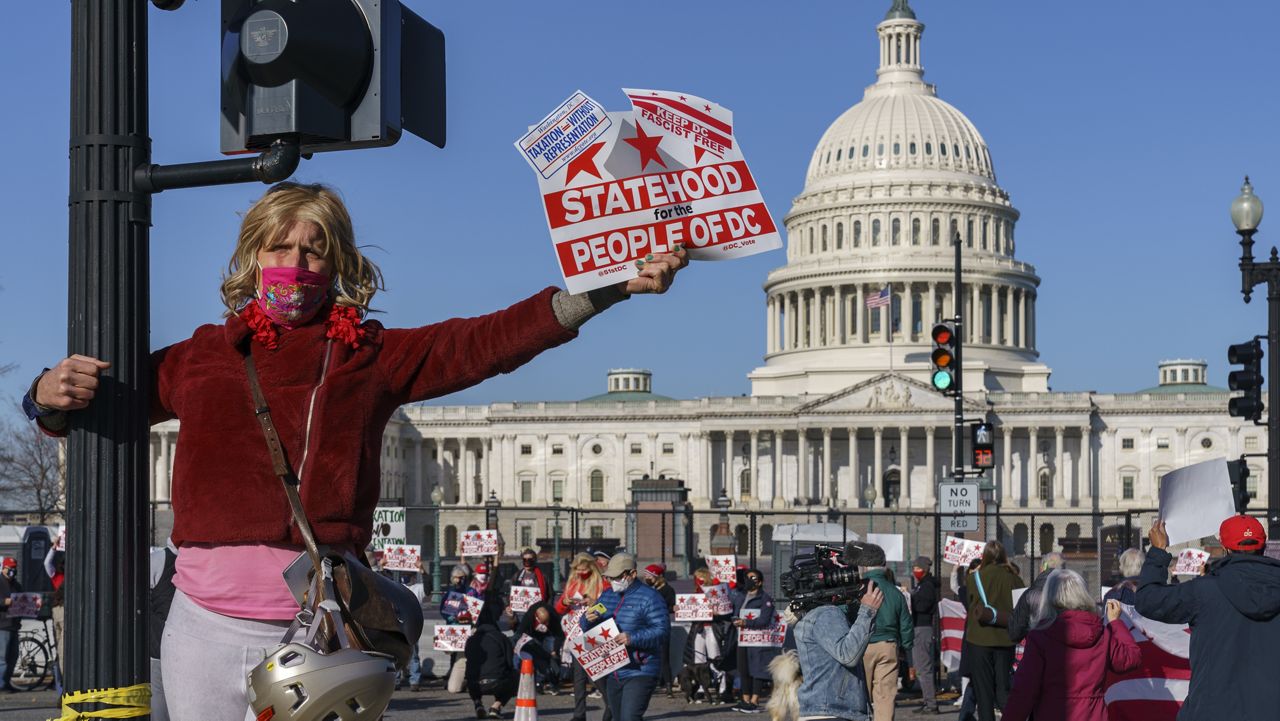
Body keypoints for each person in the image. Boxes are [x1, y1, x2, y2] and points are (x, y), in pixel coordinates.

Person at [22, 182, 688, 719]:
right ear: (253, 257)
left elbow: (487, 341)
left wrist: (609, 286)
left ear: (337, 264)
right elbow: (97, 405)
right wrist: (45, 393)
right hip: (203, 629)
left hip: (316, 632)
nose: (295, 264)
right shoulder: (203, 355)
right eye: (279, 247)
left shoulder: (368, 356)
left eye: (313, 251)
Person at [1135, 516, 1280, 719]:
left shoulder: (1205, 591)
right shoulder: (1206, 589)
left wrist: (1158, 552)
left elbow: (1147, 600)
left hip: (1213, 711)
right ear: (1263, 547)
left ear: (1225, 548)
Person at [1002, 570, 1141, 721]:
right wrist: (1115, 623)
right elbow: (1131, 658)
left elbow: (1024, 691)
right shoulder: (1102, 634)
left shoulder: (1040, 637)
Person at [583, 553, 671, 721]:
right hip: (612, 670)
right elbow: (588, 626)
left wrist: (632, 638)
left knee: (629, 718)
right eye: (610, 577)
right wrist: (586, 620)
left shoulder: (651, 597)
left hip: (640, 669)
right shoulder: (607, 595)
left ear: (632, 574)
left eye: (617, 576)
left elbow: (662, 631)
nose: (613, 580)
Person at [788, 570, 885, 721]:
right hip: (833, 710)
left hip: (824, 709)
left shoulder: (812, 614)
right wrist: (868, 611)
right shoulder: (826, 614)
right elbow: (848, 655)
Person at [851, 543, 912, 721]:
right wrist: (906, 647)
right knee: (885, 697)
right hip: (889, 646)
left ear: (864, 565)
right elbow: (906, 625)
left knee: (860, 695)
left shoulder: (857, 589)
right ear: (884, 565)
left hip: (861, 646)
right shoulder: (895, 592)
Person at [965, 541, 1024, 721]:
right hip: (1006, 638)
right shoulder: (1015, 578)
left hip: (979, 638)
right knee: (1003, 689)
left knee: (984, 692)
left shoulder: (974, 578)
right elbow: (1020, 608)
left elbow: (970, 604)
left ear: (985, 556)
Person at [557, 553, 604, 721]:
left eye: (584, 570)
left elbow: (608, 606)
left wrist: (594, 603)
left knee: (596, 675)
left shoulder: (601, 583)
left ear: (591, 568)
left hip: (594, 633)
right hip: (576, 633)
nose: (581, 572)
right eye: (578, 570)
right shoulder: (572, 583)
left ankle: (612, 707)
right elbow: (558, 609)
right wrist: (564, 603)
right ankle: (579, 714)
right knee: (578, 678)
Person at [730, 568, 779, 714]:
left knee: (757, 669)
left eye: (754, 579)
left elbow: (763, 620)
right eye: (748, 578)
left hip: (758, 640)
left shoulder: (765, 599)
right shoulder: (741, 596)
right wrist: (735, 620)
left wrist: (746, 623)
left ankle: (754, 701)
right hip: (743, 639)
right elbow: (735, 613)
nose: (750, 581)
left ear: (760, 582)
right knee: (743, 668)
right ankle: (745, 700)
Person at [682, 567, 733, 704]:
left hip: (713, 629)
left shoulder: (717, 592)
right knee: (698, 660)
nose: (698, 581)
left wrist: (717, 613)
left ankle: (722, 689)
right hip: (699, 629)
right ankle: (699, 689)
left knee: (715, 660)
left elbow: (727, 611)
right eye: (696, 578)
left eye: (701, 577)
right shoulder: (695, 594)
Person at [466, 618, 518, 719]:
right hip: (496, 682)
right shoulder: (501, 638)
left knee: (471, 674)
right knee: (515, 677)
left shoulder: (471, 640)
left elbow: (469, 660)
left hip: (474, 684)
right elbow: (509, 662)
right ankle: (496, 707)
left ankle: (478, 703)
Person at [908, 556, 941, 715]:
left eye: (917, 568)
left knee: (924, 668)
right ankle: (928, 700)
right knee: (922, 668)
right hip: (920, 627)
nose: (915, 571)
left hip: (922, 628)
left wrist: (911, 598)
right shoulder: (924, 584)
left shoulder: (926, 586)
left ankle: (931, 703)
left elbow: (923, 605)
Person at [1007, 552, 1064, 643]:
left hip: (1036, 645)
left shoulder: (1029, 594)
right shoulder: (1070, 592)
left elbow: (1015, 631)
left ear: (1042, 568)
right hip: (1063, 647)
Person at [513, 600, 564, 695]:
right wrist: (517, 645)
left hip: (550, 634)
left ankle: (554, 682)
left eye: (548, 621)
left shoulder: (553, 616)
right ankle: (537, 681)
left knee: (553, 657)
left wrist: (555, 649)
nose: (546, 624)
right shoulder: (530, 615)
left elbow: (559, 635)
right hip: (533, 634)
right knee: (536, 656)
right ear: (537, 618)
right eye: (544, 622)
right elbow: (520, 632)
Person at [641, 563, 676, 697]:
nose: (646, 578)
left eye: (648, 575)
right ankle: (651, 683)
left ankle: (668, 686)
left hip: (661, 626)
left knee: (664, 656)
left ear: (655, 576)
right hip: (648, 627)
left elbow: (672, 607)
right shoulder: (649, 590)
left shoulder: (667, 590)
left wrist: (673, 608)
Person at [398, 564, 427, 692]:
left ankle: (414, 680)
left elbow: (430, 587)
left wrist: (423, 570)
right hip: (398, 625)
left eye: (408, 575)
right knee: (397, 653)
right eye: (403, 575)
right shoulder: (397, 587)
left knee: (414, 655)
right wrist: (382, 568)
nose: (405, 577)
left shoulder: (419, 588)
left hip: (412, 626)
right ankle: (396, 679)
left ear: (414, 577)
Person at [0, 558, 19, 693]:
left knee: (13, 656)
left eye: (14, 568)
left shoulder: (16, 585)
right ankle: (1, 683)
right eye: (10, 568)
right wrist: (3, 602)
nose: (12, 570)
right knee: (2, 657)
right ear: (3, 568)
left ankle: (6, 682)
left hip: (14, 624)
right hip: (2, 624)